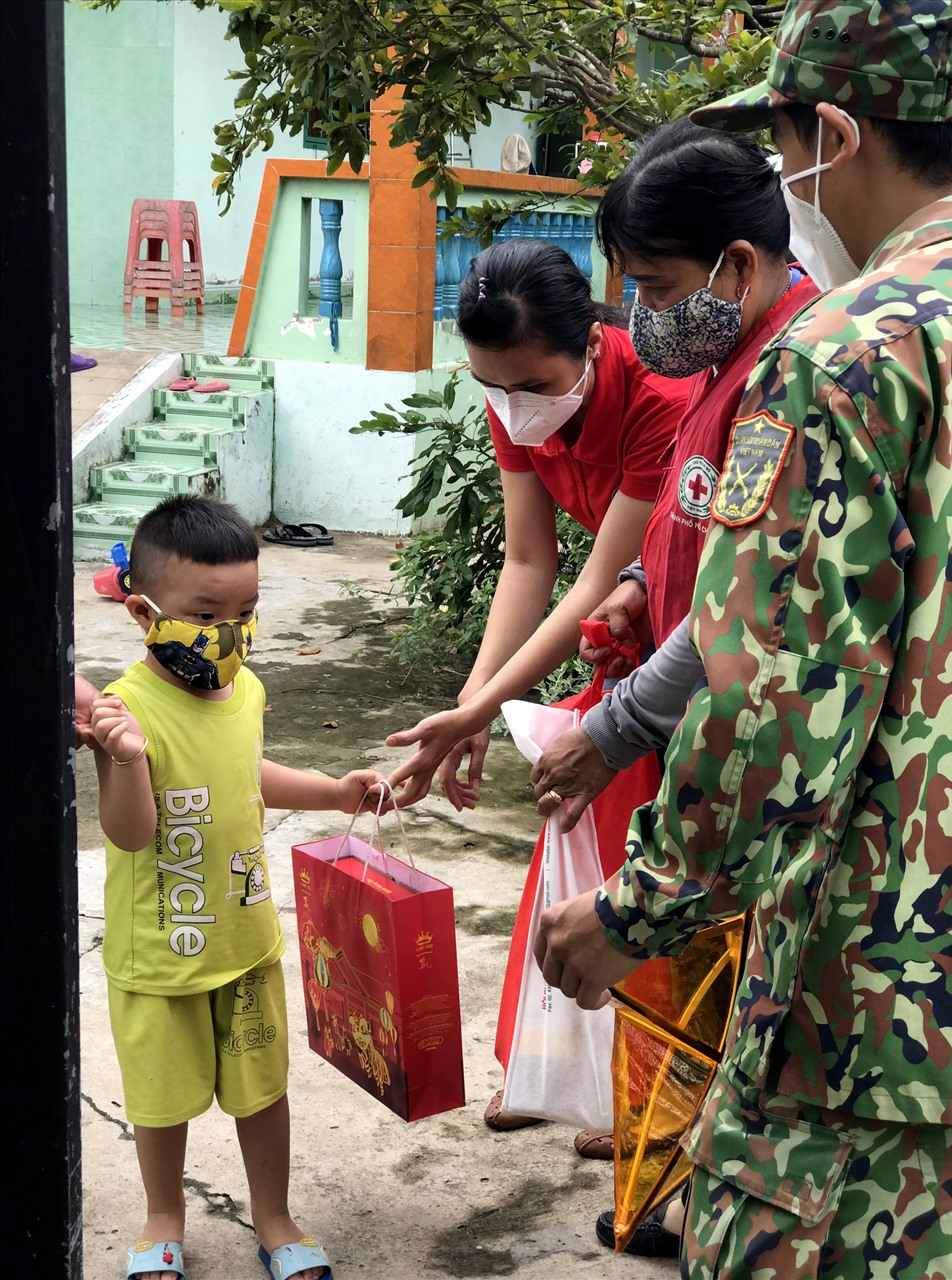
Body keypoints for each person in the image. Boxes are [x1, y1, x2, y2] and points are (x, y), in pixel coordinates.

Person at [534, 0, 952, 1275]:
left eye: (784, 148)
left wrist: (634, 912)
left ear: (833, 130)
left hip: (873, 1023)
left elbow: (775, 709)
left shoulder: (848, 353)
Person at [514, 115, 821, 1249]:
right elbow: (703, 534)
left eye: (653, 282)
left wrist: (613, 721)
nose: (639, 313)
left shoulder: (792, 374)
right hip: (691, 735)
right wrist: (645, 587)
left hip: (740, 762)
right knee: (690, 998)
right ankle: (665, 1193)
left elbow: (748, 608)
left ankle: (696, 1202)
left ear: (735, 268)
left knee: (719, 991)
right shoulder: (720, 364)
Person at [382, 239, 691, 1133]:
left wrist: (476, 710)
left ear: (593, 340)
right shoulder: (515, 396)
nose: (515, 408)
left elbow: (600, 576)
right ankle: (552, 1066)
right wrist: (472, 706)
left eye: (530, 385)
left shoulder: (657, 396)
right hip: (620, 630)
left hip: (678, 629)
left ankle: (640, 1097)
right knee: (573, 821)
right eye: (494, 387)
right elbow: (529, 557)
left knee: (656, 860)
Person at [89, 494, 385, 1280]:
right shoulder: (127, 710)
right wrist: (119, 759)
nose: (228, 631)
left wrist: (334, 791)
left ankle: (275, 1216)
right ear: (141, 608)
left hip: (246, 940)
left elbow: (241, 776)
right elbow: (129, 832)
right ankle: (162, 1219)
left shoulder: (245, 689)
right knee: (159, 1102)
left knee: (263, 1091)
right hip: (161, 954)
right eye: (206, 610)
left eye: (246, 609)